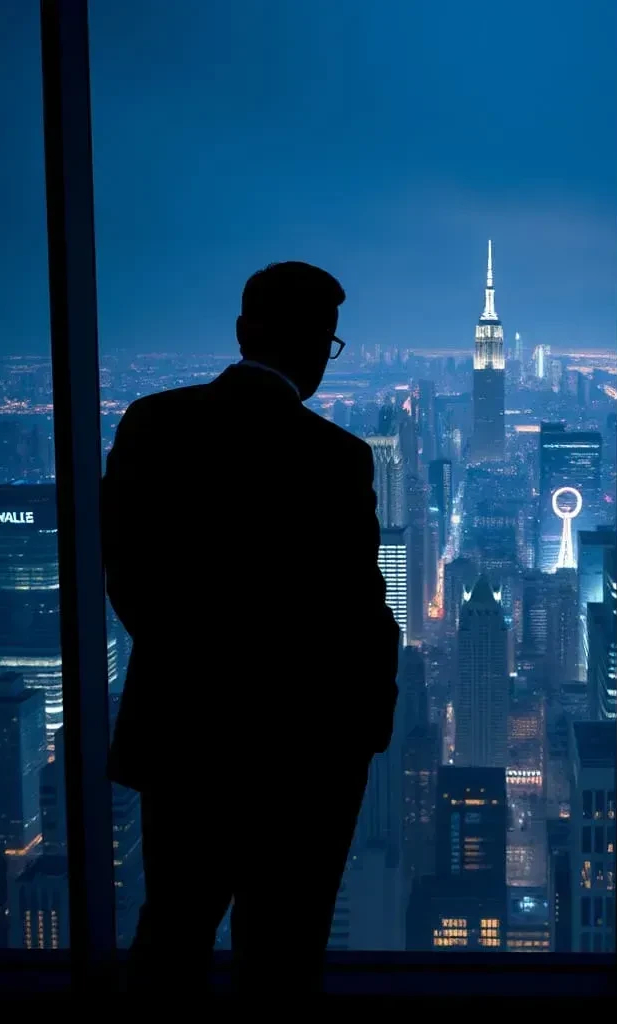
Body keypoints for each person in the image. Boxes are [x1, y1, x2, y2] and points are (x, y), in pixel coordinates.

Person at [103, 261, 400, 993]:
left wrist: (192, 662)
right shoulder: (335, 458)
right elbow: (357, 614)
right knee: (283, 948)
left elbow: (128, 577)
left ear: (243, 331)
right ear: (322, 345)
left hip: (183, 733)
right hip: (302, 751)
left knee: (172, 928)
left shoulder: (153, 424)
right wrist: (363, 731)